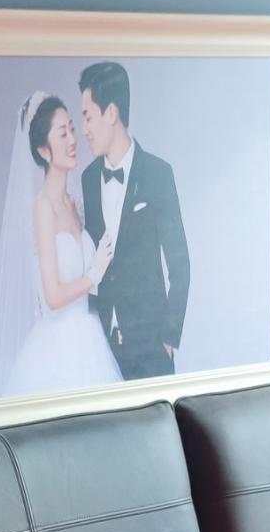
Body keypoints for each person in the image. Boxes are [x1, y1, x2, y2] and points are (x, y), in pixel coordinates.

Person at [0, 92, 122, 402]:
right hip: (59, 347)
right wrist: (93, 275)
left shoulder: (74, 203)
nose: (73, 140)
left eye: (72, 129)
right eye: (62, 133)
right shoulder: (43, 208)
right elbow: (52, 297)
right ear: (44, 150)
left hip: (90, 337)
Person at [78, 61, 191, 381]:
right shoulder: (88, 179)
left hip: (151, 350)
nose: (84, 129)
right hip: (102, 350)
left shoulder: (158, 174)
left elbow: (180, 263)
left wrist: (168, 338)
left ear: (111, 113)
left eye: (88, 116)